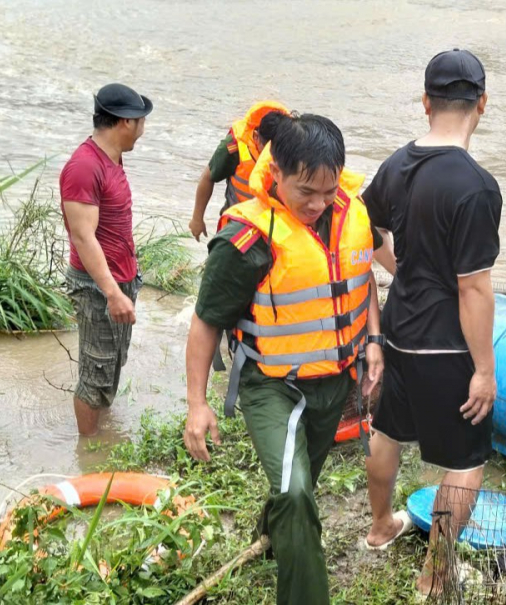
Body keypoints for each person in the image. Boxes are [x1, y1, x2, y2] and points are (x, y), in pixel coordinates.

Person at [183, 113, 385, 605]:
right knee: (297, 495)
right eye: (304, 192)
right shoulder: (247, 241)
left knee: (301, 483)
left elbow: (361, 280)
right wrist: (197, 404)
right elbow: (206, 321)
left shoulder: (352, 214)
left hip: (334, 381)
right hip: (271, 385)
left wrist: (374, 341)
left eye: (327, 190)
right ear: (275, 174)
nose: (317, 204)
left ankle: (274, 537)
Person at [360, 49, 502, 596]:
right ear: (481, 105)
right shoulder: (475, 185)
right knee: (466, 461)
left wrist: (404, 268)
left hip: (396, 331)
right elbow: (473, 287)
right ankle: (436, 574)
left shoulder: (395, 164)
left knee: (389, 430)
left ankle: (380, 528)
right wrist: (484, 368)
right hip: (446, 346)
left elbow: (363, 226)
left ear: (425, 102)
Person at [60, 83, 152, 436]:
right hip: (98, 287)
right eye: (141, 121)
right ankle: (88, 451)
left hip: (122, 280)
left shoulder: (113, 156)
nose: (143, 130)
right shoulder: (84, 166)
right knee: (94, 373)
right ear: (126, 122)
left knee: (112, 364)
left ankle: (100, 431)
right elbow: (83, 236)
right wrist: (113, 292)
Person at [189, 101, 289, 241]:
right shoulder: (234, 148)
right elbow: (208, 177)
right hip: (236, 225)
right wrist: (197, 219)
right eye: (267, 149)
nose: (270, 156)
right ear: (256, 137)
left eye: (276, 150)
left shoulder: (292, 150)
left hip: (274, 229)